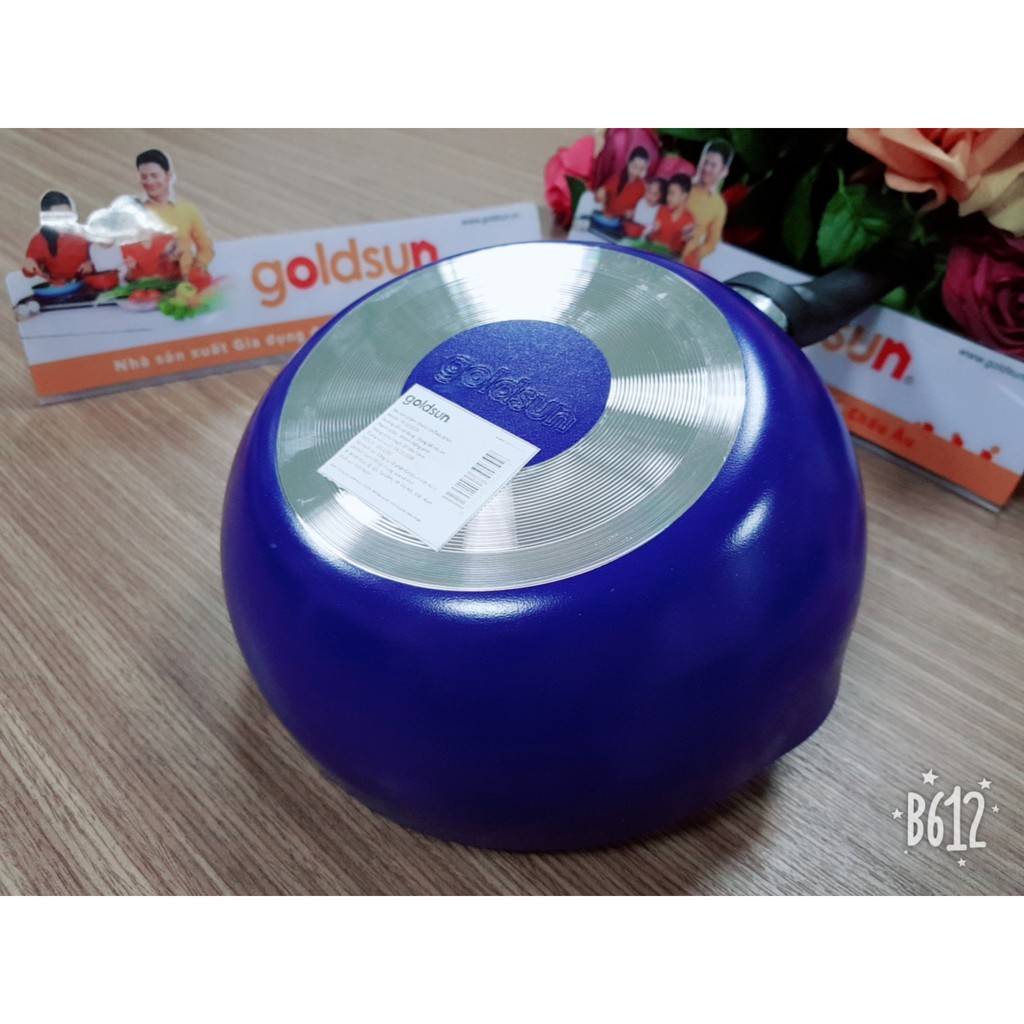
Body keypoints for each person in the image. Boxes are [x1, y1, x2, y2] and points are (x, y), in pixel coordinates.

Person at [135, 149, 213, 275]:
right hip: (148, 283)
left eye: (154, 176)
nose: (149, 182)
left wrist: (198, 266)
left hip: (186, 280)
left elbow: (205, 248)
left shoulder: (188, 210)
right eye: (144, 177)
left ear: (169, 176)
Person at [22, 191, 94, 285]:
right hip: (57, 287)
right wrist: (28, 268)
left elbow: (101, 256)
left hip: (88, 283)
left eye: (67, 216)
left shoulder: (84, 234)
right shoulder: (39, 241)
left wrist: (91, 263)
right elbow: (30, 271)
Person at [683, 140, 733, 268]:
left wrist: (692, 256)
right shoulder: (682, 184)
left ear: (724, 171)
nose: (706, 168)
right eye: (705, 162)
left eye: (713, 165)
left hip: (683, 260)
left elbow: (711, 243)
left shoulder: (719, 206)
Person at [644, 174, 695, 256]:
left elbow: (680, 251)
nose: (668, 197)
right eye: (668, 193)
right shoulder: (662, 210)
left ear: (684, 196)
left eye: (672, 193)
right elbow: (650, 238)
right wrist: (650, 231)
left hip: (668, 259)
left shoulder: (689, 220)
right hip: (651, 254)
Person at [595, 146, 651, 221]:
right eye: (635, 167)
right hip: (605, 219)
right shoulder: (616, 179)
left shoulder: (644, 187)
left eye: (642, 169)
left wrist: (634, 213)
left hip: (624, 223)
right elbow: (599, 196)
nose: (637, 172)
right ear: (628, 162)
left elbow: (645, 210)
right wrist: (600, 193)